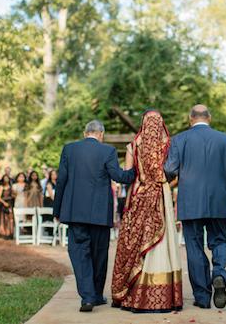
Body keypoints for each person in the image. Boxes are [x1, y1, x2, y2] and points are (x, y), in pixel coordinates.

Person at [164, 105, 226, 309]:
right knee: (219, 240)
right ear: (210, 118)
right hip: (219, 200)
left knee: (194, 247)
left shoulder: (180, 140)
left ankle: (202, 297)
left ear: (190, 119)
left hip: (191, 202)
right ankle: (219, 274)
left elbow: (169, 169)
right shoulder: (225, 140)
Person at [53, 120, 134, 313]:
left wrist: (57, 210)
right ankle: (96, 295)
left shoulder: (69, 150)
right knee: (99, 256)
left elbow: (61, 181)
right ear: (101, 134)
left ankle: (88, 296)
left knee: (80, 254)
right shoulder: (108, 151)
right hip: (99, 213)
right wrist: (137, 171)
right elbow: (119, 176)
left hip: (75, 213)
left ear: (85, 132)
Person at [111, 110, 182, 313]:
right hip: (162, 195)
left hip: (139, 196)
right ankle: (163, 296)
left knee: (136, 241)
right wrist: (164, 182)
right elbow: (174, 174)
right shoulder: (168, 144)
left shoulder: (133, 145)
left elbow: (128, 175)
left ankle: (134, 294)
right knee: (162, 241)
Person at [0, 174, 14, 240]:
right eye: (5, 178)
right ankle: (4, 233)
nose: (6, 179)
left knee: (11, 219)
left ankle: (11, 233)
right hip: (4, 204)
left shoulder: (11, 186)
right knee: (4, 219)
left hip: (10, 204)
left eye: (7, 178)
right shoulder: (1, 187)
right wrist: (4, 203)